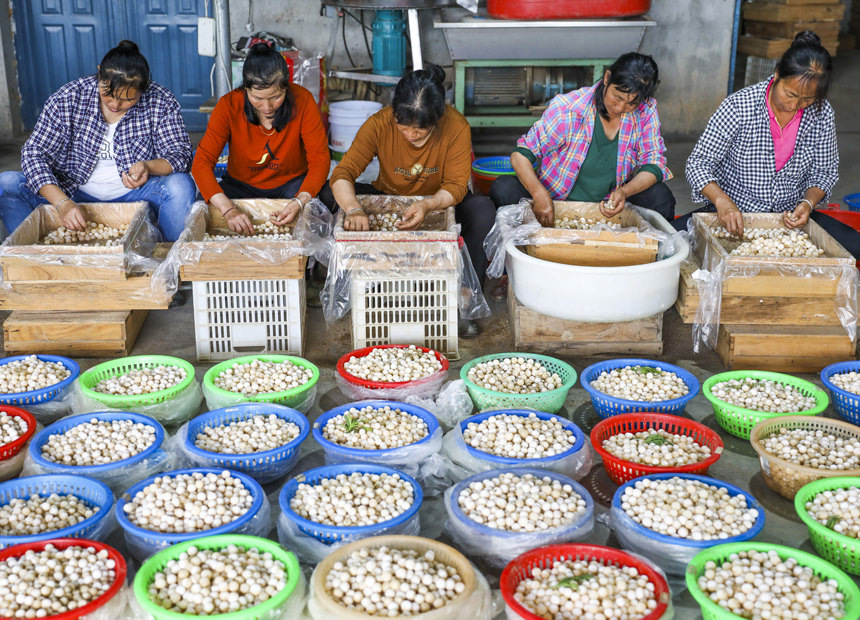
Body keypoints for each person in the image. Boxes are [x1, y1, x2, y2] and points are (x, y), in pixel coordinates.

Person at [319, 64, 496, 337]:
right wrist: (354, 209)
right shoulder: (379, 123)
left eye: (420, 130)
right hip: (390, 197)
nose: (411, 135)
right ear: (394, 113)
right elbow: (344, 172)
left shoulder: (456, 126)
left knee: (482, 209)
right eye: (404, 127)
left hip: (440, 202)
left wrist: (427, 205)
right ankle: (355, 280)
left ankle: (463, 298)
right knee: (331, 194)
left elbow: (456, 185)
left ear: (437, 119)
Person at [488, 52, 675, 300]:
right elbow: (521, 155)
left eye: (631, 103)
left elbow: (654, 162)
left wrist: (624, 191)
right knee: (504, 188)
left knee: (661, 197)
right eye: (617, 97)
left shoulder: (646, 110)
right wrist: (539, 194)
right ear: (607, 78)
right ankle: (509, 272)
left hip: (612, 205)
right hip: (556, 202)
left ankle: (650, 271)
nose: (621, 108)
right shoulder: (569, 108)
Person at [678, 31, 855, 257]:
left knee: (853, 246)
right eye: (789, 94)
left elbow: (824, 172)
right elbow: (698, 164)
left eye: (807, 99)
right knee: (672, 243)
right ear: (777, 73)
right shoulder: (739, 106)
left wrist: (807, 204)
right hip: (734, 212)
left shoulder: (822, 114)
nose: (795, 105)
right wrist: (723, 202)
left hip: (790, 219)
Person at [0, 40, 195, 242]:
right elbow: (34, 154)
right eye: (108, 94)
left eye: (128, 99)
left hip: (137, 195)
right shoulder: (69, 98)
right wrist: (62, 203)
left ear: (144, 89)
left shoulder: (160, 100)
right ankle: (30, 260)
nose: (115, 104)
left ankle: (171, 262)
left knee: (181, 185)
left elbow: (180, 155)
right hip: (73, 192)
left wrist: (148, 166)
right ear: (99, 73)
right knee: (7, 183)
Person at [192, 43, 330, 234]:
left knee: (323, 199)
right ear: (246, 89)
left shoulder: (303, 100)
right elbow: (201, 162)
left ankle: (308, 261)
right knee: (202, 204)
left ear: (286, 87)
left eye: (275, 97)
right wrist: (228, 209)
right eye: (257, 98)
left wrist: (300, 199)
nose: (267, 106)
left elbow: (320, 159)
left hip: (292, 185)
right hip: (240, 185)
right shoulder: (228, 106)